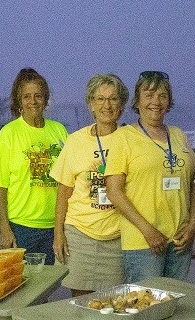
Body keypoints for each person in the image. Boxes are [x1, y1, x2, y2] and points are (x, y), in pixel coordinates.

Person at [104, 71, 195, 282]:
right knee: (146, 299)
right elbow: (114, 191)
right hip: (143, 241)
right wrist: (148, 231)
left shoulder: (178, 134)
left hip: (179, 240)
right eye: (148, 95)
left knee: (176, 299)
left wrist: (193, 225)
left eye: (162, 96)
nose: (156, 102)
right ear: (137, 101)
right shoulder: (124, 137)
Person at [50, 74, 128, 296]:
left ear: (121, 105)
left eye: (113, 99)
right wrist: (58, 234)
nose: (106, 105)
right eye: (100, 99)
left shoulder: (130, 139)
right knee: (80, 300)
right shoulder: (76, 141)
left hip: (118, 236)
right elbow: (63, 191)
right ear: (91, 104)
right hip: (79, 234)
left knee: (114, 301)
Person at [0, 68, 67, 264]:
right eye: (27, 96)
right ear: (19, 101)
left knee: (49, 280)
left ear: (45, 99)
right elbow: (0, 186)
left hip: (54, 226)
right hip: (21, 227)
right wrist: (4, 227)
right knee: (21, 279)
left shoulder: (59, 131)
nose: (33, 101)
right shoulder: (9, 133)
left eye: (38, 96)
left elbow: (68, 180)